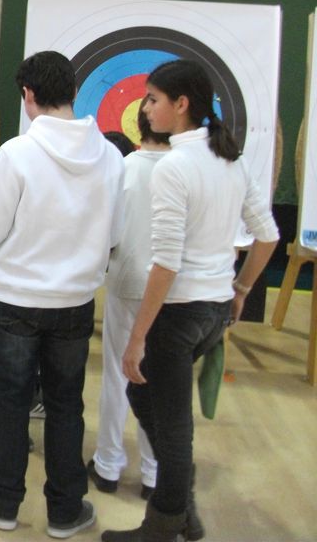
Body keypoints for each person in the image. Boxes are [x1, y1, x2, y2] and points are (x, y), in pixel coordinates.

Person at [102, 60, 279, 542]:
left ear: (181, 104)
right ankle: (181, 507)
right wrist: (241, 290)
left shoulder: (175, 167)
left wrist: (137, 337)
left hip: (179, 314)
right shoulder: (229, 159)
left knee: (172, 424)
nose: (145, 108)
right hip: (214, 309)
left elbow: (166, 263)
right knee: (146, 397)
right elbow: (267, 236)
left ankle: (164, 524)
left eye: (153, 99)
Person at [0, 51, 123, 539]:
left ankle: (3, 503)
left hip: (17, 303)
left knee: (12, 401)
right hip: (75, 304)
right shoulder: (111, 156)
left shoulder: (17, 153)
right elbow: (114, 235)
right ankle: (66, 512)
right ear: (74, 92)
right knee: (66, 405)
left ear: (28, 95)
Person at [89, 106, 168, 500]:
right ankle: (153, 475)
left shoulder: (125, 169)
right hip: (172, 291)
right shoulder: (188, 170)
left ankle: (107, 465)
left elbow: (108, 233)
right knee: (160, 381)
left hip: (127, 283)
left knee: (118, 374)